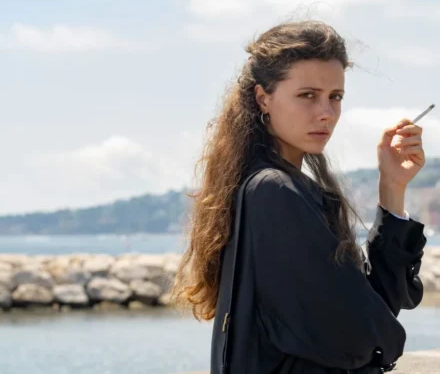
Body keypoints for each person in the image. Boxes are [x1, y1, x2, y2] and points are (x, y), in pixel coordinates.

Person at [172, 20, 427, 374]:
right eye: (307, 95)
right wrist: (378, 329)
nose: (326, 112)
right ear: (264, 97)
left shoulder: (276, 186)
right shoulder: (273, 191)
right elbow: (362, 333)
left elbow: (376, 306)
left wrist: (392, 187)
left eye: (335, 97)